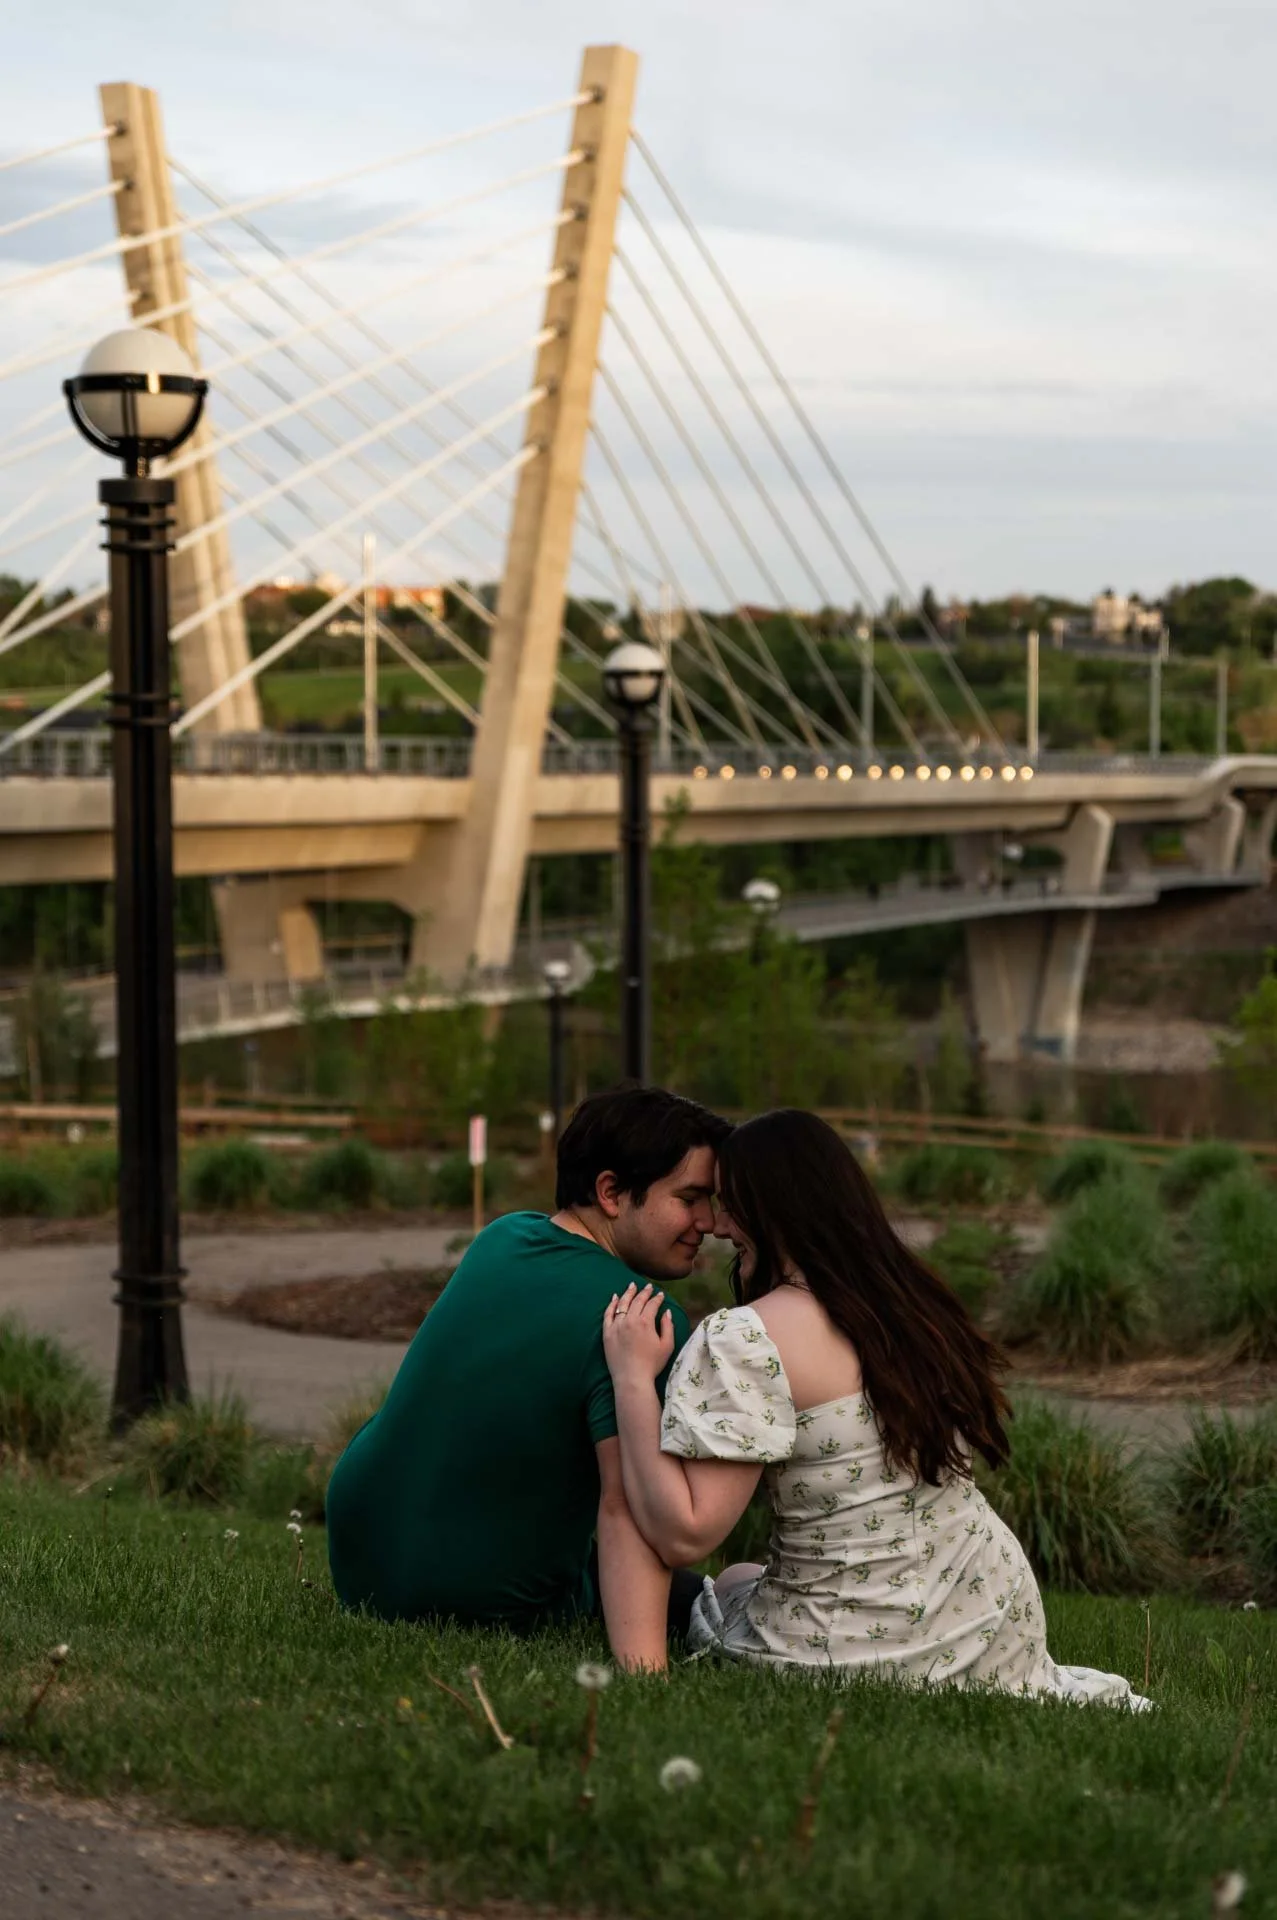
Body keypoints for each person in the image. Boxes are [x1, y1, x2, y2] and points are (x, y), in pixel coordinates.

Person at [603, 1108, 1149, 1707]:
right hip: (986, 1620)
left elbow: (686, 1533)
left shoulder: (745, 1339)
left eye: (729, 1204)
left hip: (848, 1645)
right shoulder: (908, 1310)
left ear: (772, 1209)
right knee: (742, 1579)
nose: (717, 1225)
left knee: (731, 1579)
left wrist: (631, 1379)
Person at [326, 1086, 731, 1671]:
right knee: (706, 1601)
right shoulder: (641, 1315)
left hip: (361, 1557)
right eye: (690, 1197)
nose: (708, 1222)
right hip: (469, 1593)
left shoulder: (502, 1237)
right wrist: (645, 1672)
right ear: (611, 1192)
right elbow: (627, 1509)